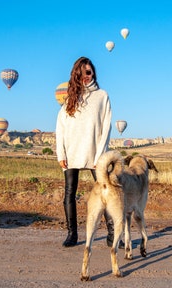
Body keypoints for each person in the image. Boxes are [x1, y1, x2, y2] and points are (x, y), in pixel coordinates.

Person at [56, 56, 124, 248]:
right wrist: (61, 154)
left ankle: (113, 236)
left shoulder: (102, 95)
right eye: (84, 72)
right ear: (77, 74)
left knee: (107, 192)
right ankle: (72, 234)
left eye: (90, 71)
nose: (88, 75)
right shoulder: (70, 98)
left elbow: (106, 127)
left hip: (95, 153)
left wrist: (100, 156)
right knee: (69, 193)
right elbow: (60, 127)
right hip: (71, 152)